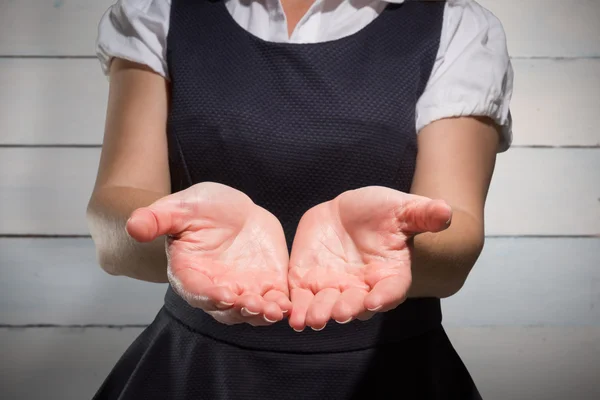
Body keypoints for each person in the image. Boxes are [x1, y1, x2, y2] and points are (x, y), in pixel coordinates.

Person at [86, 0, 513, 398]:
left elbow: (457, 235)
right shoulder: (161, 11)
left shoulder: (456, 26)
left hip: (391, 375)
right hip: (197, 371)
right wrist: (183, 240)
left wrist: (392, 250)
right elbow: (116, 220)